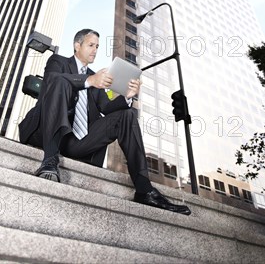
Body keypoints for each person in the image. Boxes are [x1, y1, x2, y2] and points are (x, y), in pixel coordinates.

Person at [19, 29, 191, 215]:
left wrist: (127, 96)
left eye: (98, 47)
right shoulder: (59, 61)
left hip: (77, 143)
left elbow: (106, 107)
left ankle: (145, 190)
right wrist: (89, 81)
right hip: (46, 133)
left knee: (127, 115)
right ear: (77, 46)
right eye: (91, 45)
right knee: (59, 82)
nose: (95, 50)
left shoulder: (96, 76)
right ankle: (49, 161)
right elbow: (52, 81)